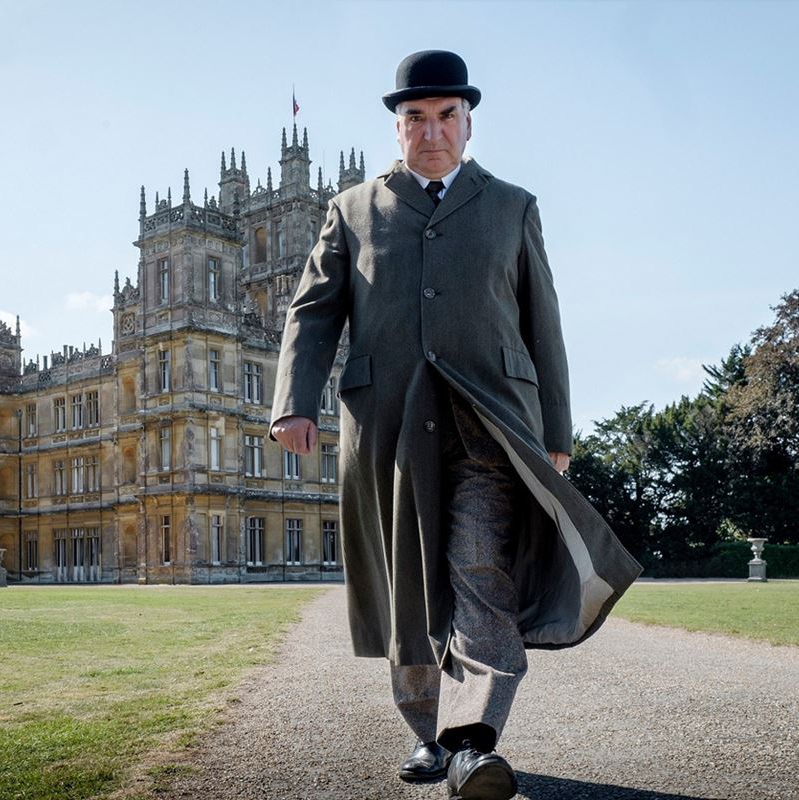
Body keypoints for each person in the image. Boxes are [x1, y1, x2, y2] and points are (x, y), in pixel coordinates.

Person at [269, 50, 642, 800]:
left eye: (447, 116)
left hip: (491, 420)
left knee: (480, 570)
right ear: (397, 127)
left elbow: (543, 324)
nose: (431, 131)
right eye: (416, 117)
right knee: (407, 581)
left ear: (468, 124)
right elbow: (312, 312)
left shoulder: (513, 206)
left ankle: (471, 739)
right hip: (389, 420)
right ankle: (424, 730)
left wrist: (557, 431)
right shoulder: (352, 209)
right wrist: (293, 401)